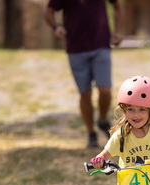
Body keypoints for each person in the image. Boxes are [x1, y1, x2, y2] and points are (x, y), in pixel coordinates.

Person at [45, 0, 123, 149]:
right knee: (85, 94)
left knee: (105, 90)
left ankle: (102, 120)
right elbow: (49, 11)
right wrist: (56, 26)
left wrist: (117, 31)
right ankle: (91, 132)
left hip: (101, 45)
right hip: (76, 49)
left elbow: (117, 5)